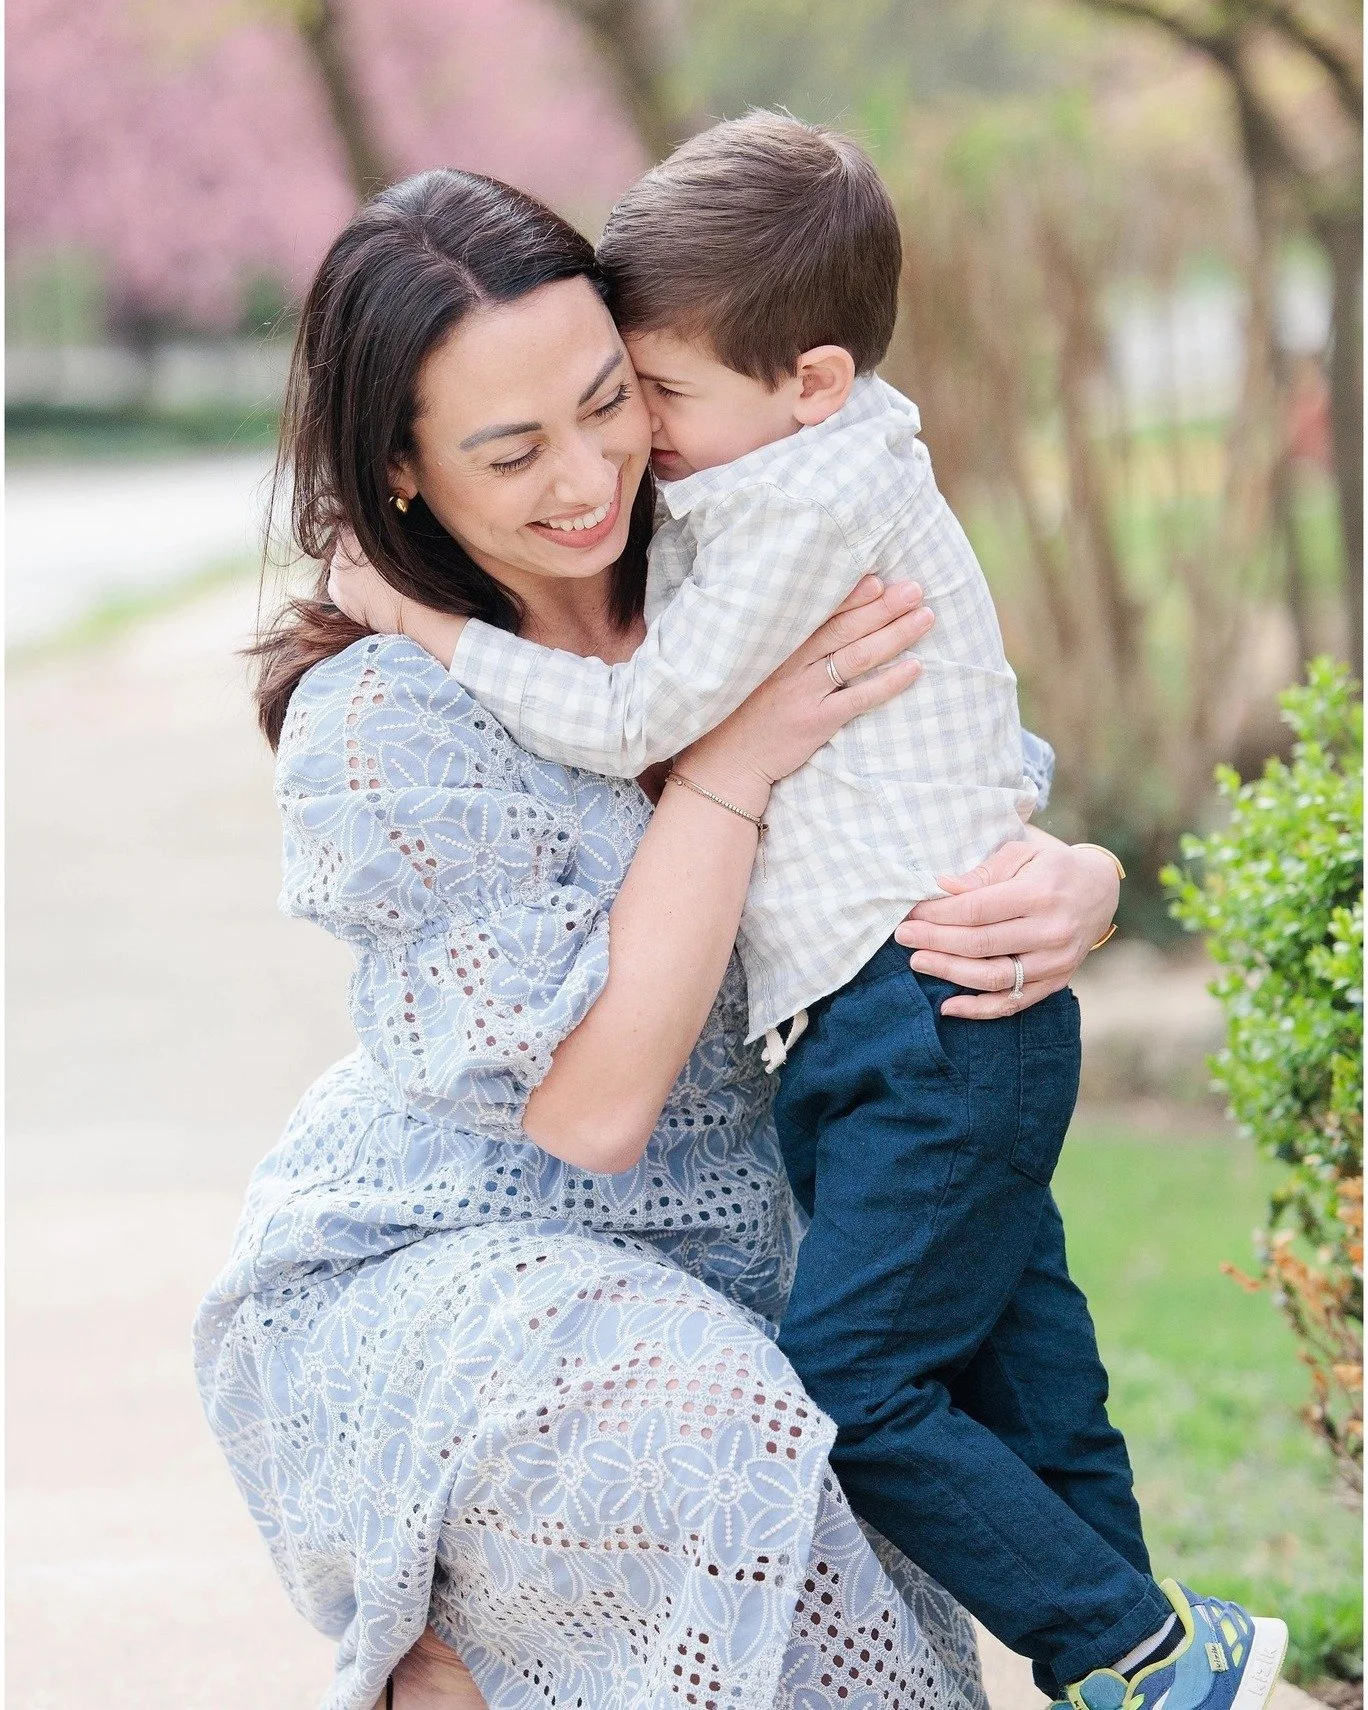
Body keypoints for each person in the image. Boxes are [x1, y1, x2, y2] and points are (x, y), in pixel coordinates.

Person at [328, 117, 1288, 1710]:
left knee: (872, 1383)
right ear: (399, 471)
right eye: (516, 452)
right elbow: (593, 1102)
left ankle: (1134, 1652)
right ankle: (1139, 1660)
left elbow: (938, 739)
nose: (604, 469)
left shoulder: (767, 511)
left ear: (806, 381)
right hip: (599, 1199)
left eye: (625, 403)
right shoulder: (403, 714)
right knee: (1028, 1382)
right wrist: (735, 758)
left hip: (905, 1033)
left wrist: (1081, 880)